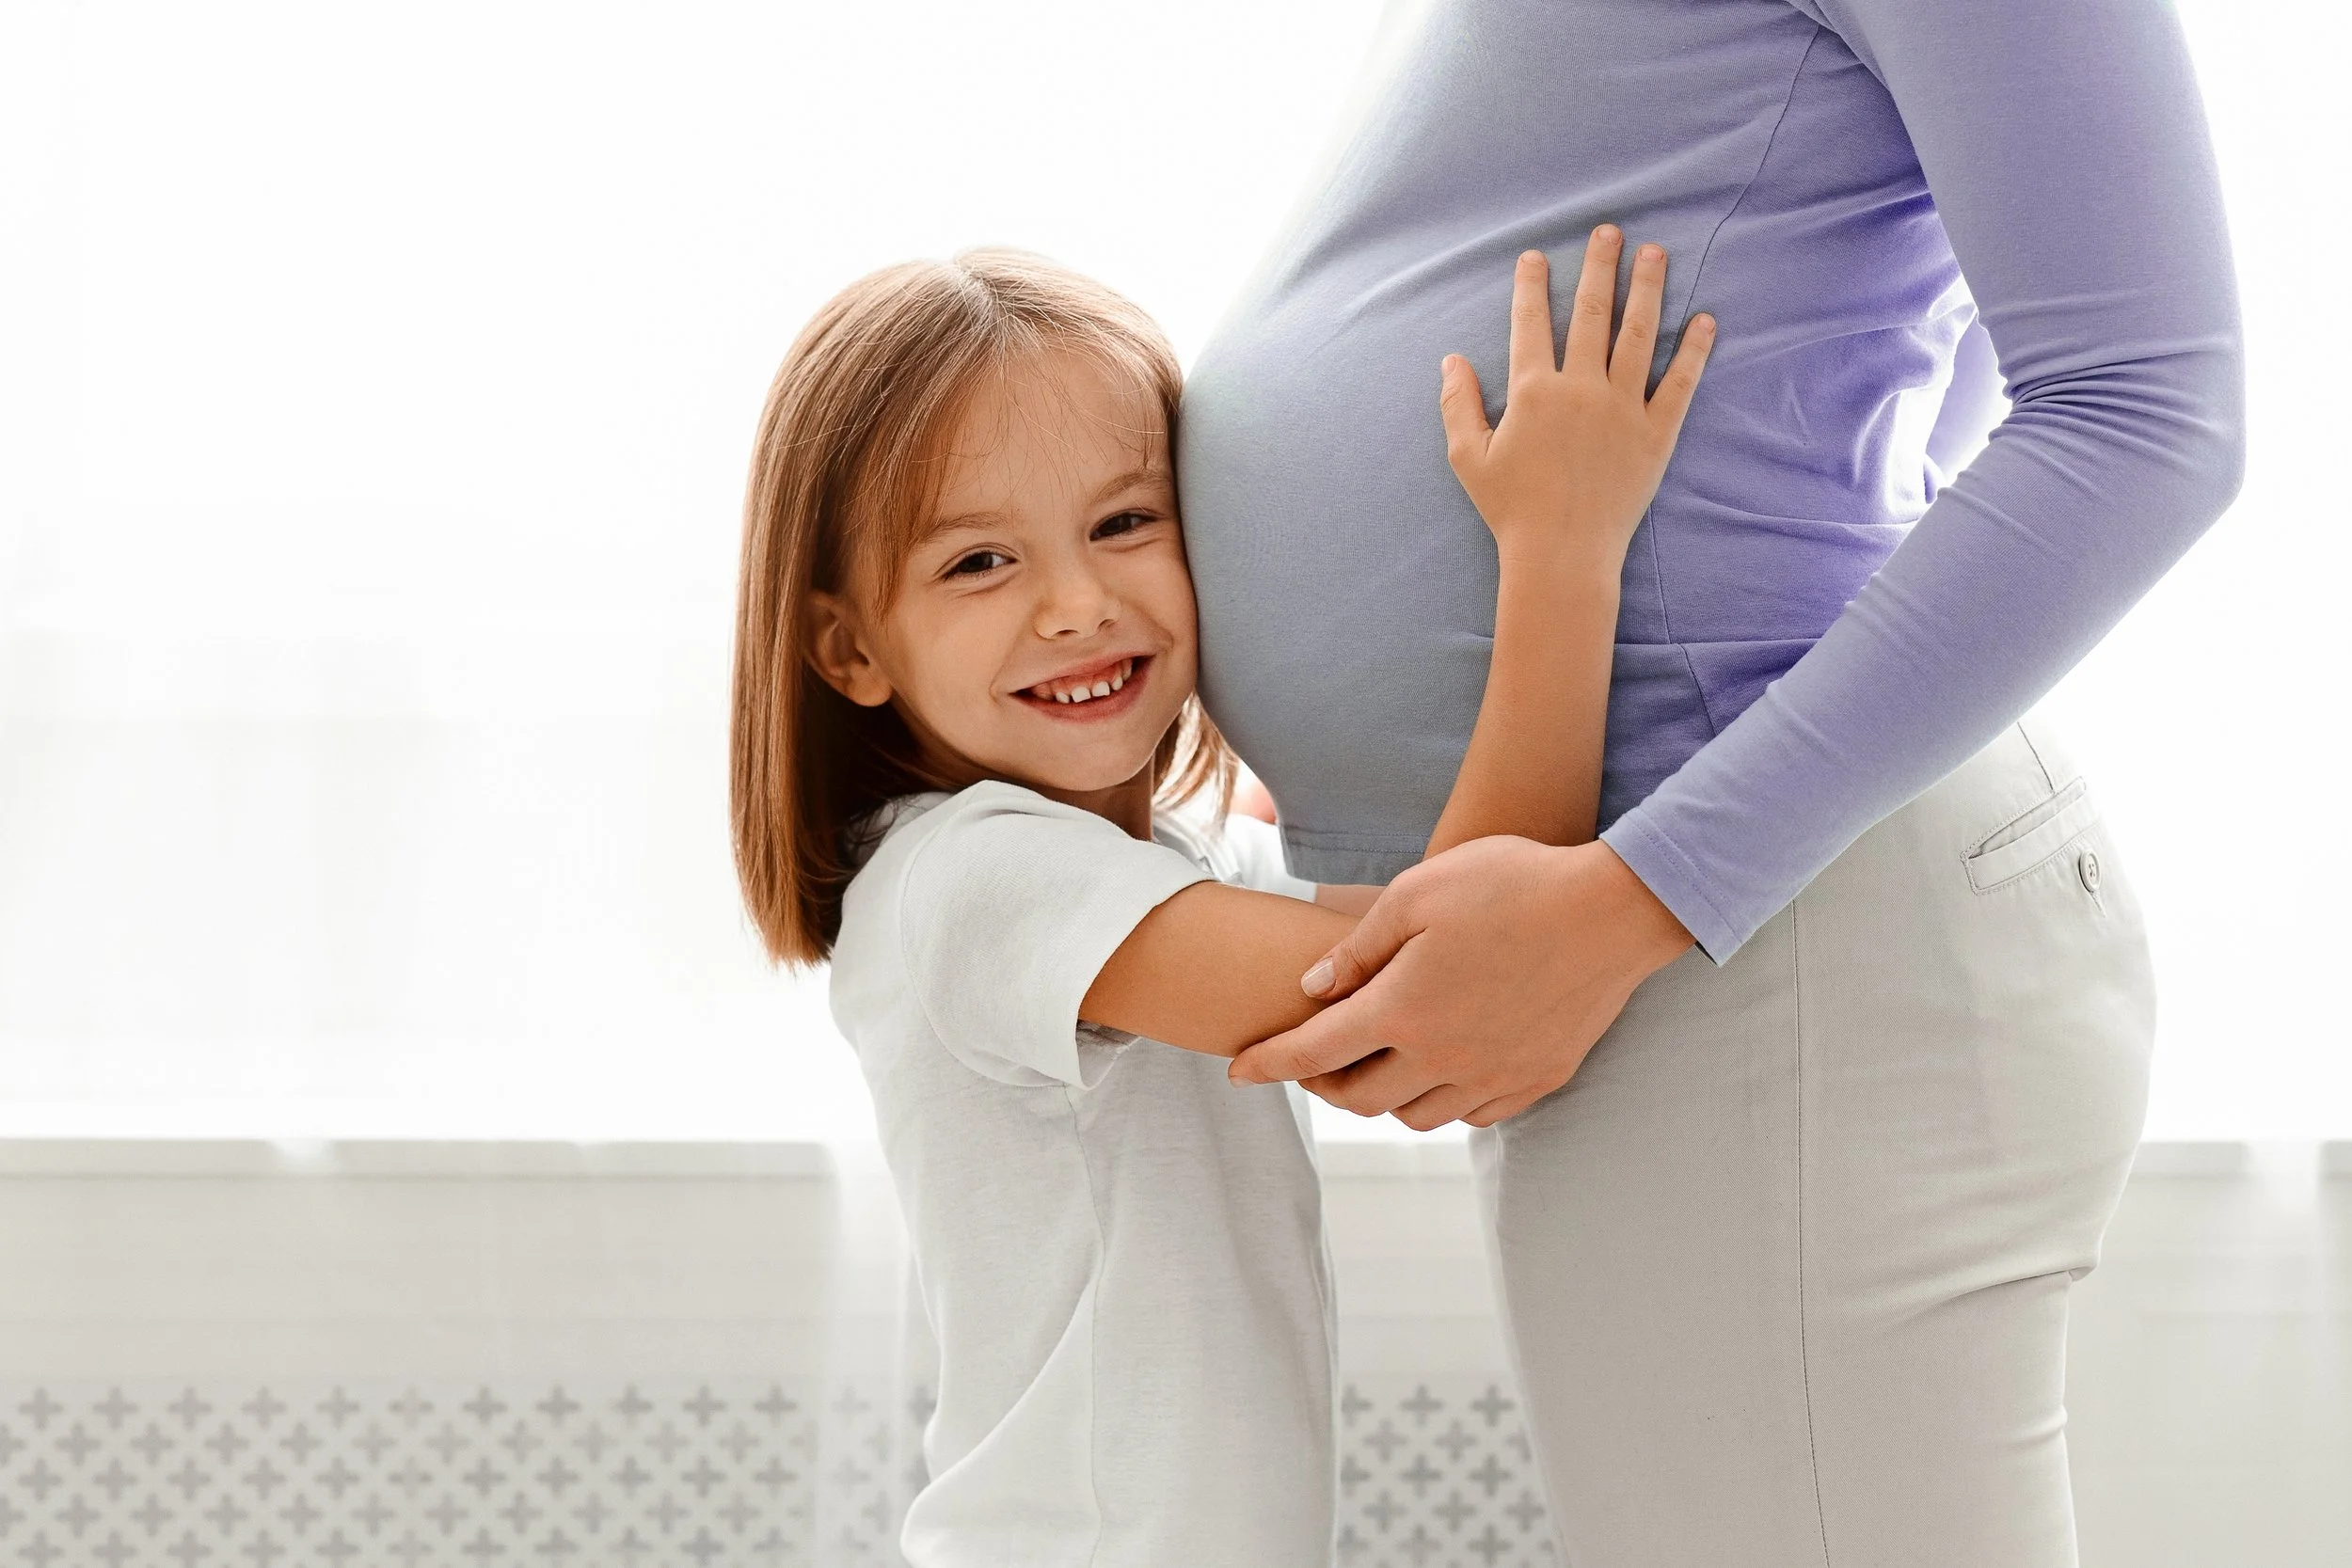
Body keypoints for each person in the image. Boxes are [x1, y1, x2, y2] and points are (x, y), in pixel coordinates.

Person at [1184, 0, 2245, 1562]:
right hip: (1697, 921)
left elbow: (2151, 415)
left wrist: (1637, 894)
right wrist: (1376, 712)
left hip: (1760, 928)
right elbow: (1911, 329)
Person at [726, 239, 1708, 1565]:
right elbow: (1448, 978)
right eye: (979, 563)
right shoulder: (977, 880)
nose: (1077, 604)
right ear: (851, 647)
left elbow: (1438, 921)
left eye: (1124, 523)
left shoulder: (1176, 866)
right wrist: (1564, 550)